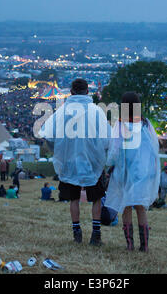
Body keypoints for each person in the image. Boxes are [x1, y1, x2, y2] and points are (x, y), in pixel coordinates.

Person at [38, 78, 110, 246]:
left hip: (69, 160)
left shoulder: (62, 111)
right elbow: (107, 138)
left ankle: (77, 233)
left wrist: (58, 150)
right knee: (97, 197)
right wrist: (101, 155)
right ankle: (96, 234)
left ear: (71, 92)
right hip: (92, 161)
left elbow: (47, 134)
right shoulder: (96, 111)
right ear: (87, 91)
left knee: (74, 199)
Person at [105, 92, 160, 253]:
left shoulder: (121, 124)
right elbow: (154, 147)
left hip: (125, 171)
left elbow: (114, 150)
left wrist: (109, 165)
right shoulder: (146, 123)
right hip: (143, 171)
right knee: (141, 206)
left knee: (126, 205)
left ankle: (130, 244)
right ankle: (144, 245)